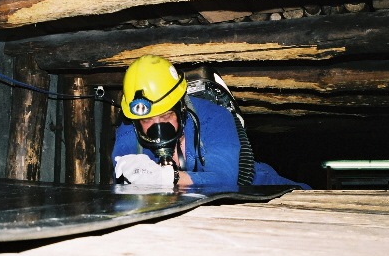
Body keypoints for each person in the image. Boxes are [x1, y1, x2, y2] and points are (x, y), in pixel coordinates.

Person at [112, 54, 310, 189]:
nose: (157, 125)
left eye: (165, 116)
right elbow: (123, 180)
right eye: (147, 120)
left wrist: (168, 178)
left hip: (253, 188)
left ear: (181, 108)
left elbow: (225, 180)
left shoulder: (214, 117)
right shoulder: (130, 127)